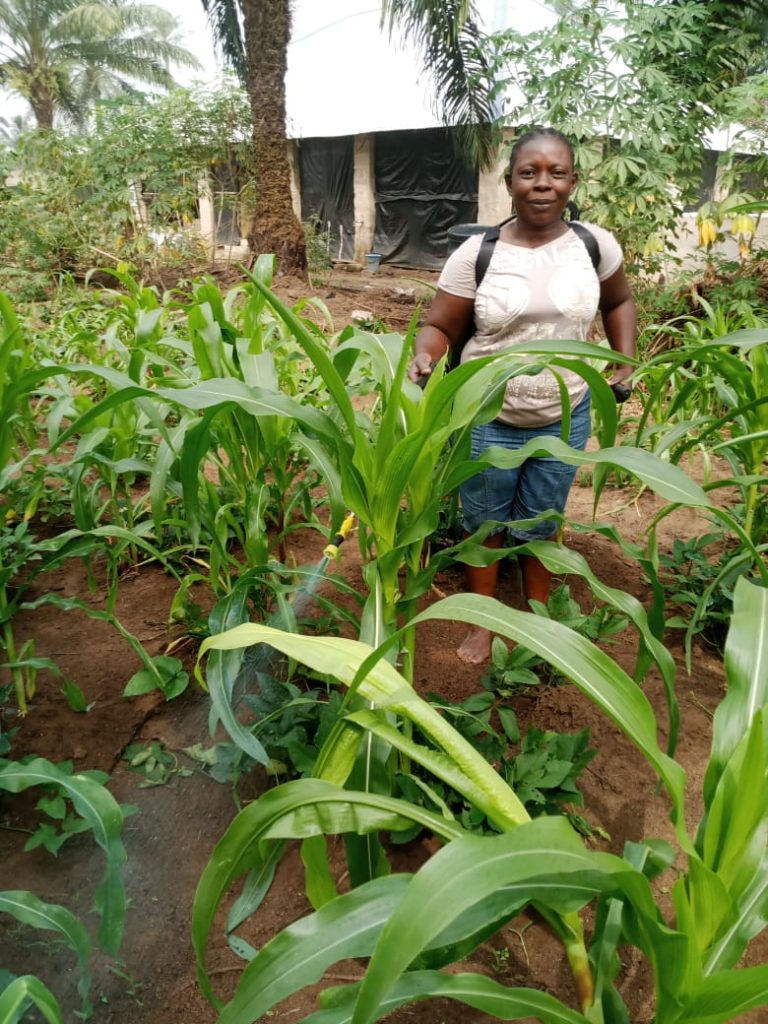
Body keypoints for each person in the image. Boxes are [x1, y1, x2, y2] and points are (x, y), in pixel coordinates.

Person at [408, 126, 636, 664]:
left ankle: (537, 615)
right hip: (488, 412)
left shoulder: (594, 246)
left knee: (543, 518)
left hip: (566, 411)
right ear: (509, 182)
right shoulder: (477, 253)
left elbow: (619, 302)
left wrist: (624, 361)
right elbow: (439, 325)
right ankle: (484, 621)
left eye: (556, 173)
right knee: (484, 520)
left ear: (573, 181)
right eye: (529, 173)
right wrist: (426, 355)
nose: (543, 183)